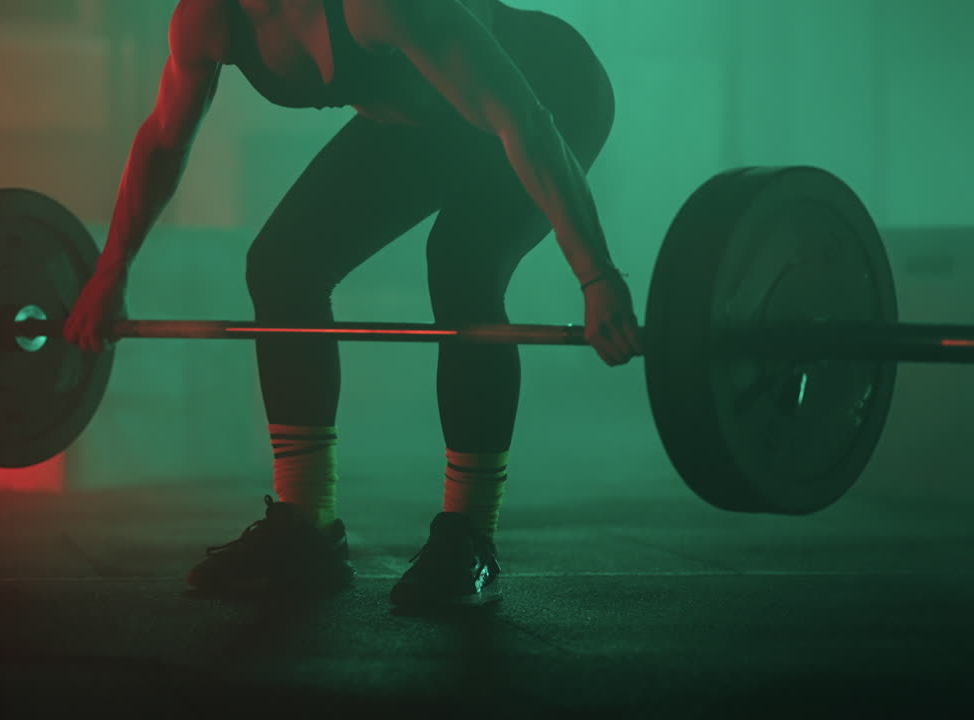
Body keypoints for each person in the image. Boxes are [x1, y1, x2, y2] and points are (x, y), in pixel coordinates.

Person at [65, 0, 641, 608]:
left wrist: (596, 275)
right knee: (284, 264)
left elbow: (520, 117)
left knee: (462, 264)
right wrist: (110, 272)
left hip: (546, 90)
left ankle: (469, 536)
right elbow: (163, 140)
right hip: (424, 121)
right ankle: (305, 526)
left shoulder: (380, 7)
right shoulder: (206, 19)